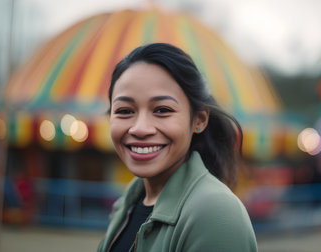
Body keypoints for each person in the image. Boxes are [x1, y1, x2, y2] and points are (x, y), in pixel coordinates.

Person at [98, 43, 257, 252]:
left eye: (162, 110)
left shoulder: (215, 213)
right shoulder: (128, 202)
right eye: (125, 111)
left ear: (199, 120)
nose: (140, 129)